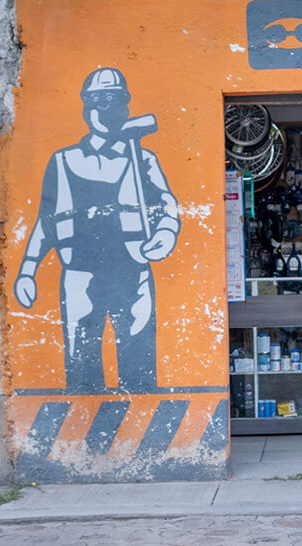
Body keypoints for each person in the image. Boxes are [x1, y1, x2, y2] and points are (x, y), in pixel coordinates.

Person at [12, 67, 180, 392]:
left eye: (113, 99)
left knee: (138, 360)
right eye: (97, 99)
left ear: (125, 106)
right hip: (79, 273)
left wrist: (164, 235)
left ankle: (142, 432)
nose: (105, 107)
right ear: (86, 106)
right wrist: (27, 271)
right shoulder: (64, 160)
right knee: (81, 359)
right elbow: (47, 220)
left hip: (134, 272)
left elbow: (167, 205)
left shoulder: (143, 159)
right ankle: (83, 433)